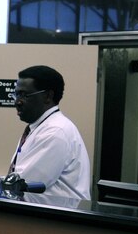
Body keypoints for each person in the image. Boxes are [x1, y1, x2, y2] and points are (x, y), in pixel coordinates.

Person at [9, 65, 91, 200]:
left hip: (57, 219)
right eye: (16, 94)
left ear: (48, 96)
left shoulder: (55, 132)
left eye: (24, 95)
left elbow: (20, 185)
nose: (17, 102)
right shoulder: (39, 127)